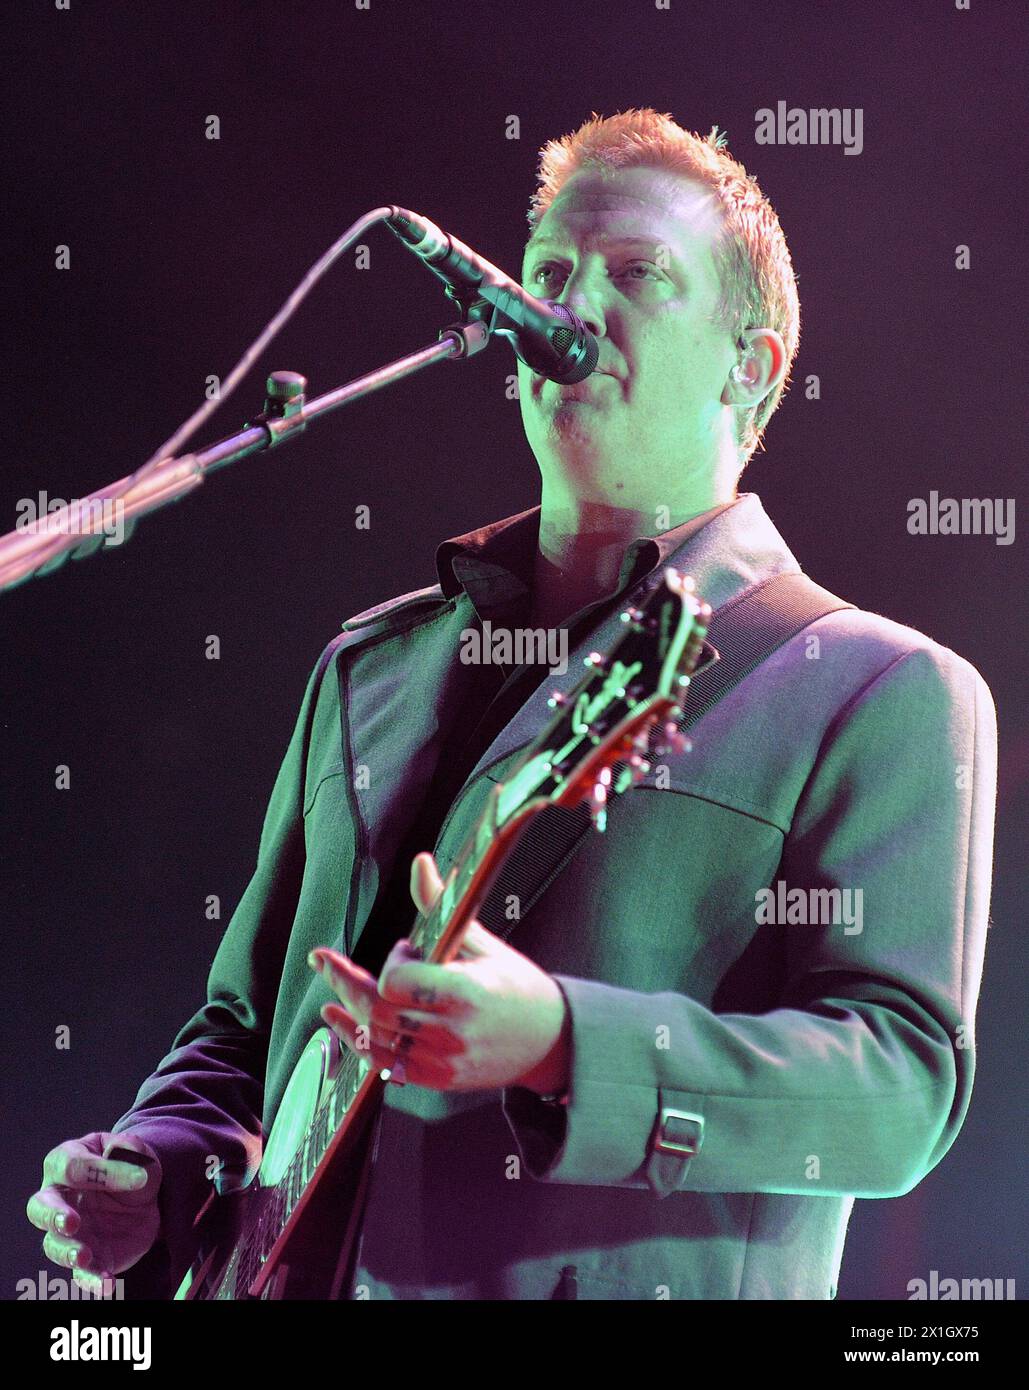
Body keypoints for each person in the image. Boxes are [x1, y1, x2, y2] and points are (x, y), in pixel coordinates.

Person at [27, 108, 997, 1300]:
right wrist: (159, 1167)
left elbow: (898, 1097)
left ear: (754, 362)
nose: (571, 308)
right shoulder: (367, 667)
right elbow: (243, 1027)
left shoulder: (878, 687)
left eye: (638, 274)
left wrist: (560, 1044)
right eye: (548, 273)